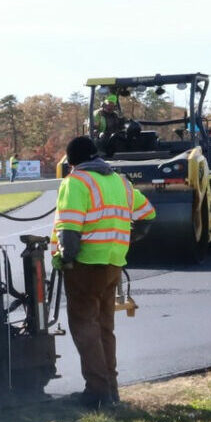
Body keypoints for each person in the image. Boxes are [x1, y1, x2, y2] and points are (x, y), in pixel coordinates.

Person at [55, 135, 156, 407]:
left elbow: (70, 228)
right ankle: (111, 390)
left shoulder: (75, 182)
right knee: (104, 328)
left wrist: (65, 258)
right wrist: (127, 237)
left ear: (72, 161)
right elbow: (147, 214)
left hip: (86, 265)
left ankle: (97, 393)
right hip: (113, 263)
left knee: (84, 327)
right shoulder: (119, 181)